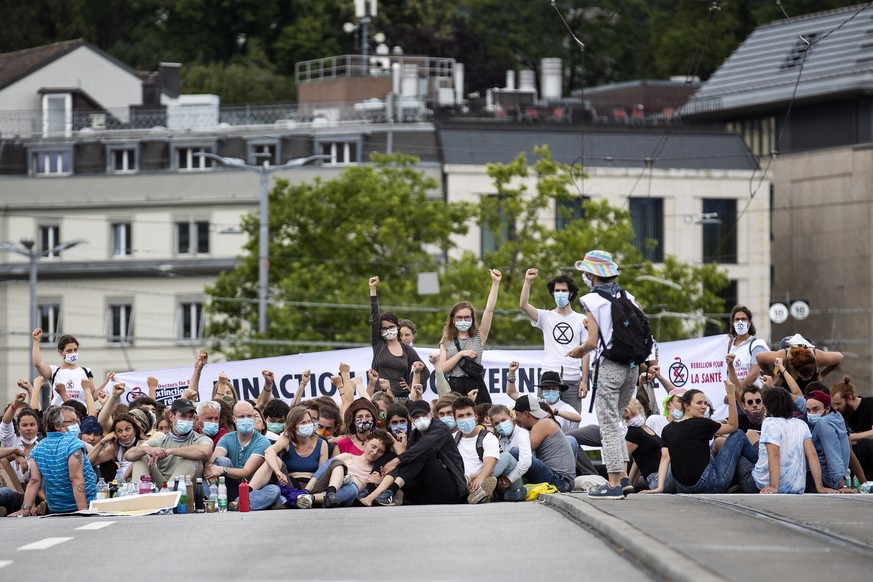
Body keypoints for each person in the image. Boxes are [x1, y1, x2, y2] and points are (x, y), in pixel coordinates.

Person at [568, 250, 652, 499]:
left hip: (611, 366)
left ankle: (614, 483)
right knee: (617, 421)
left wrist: (579, 350)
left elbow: (593, 343)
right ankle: (625, 477)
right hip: (632, 366)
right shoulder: (627, 295)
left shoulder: (591, 300)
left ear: (592, 275)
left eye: (586, 272)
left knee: (608, 425)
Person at [660, 385, 756, 494]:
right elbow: (733, 426)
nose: (704, 407)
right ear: (686, 406)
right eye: (699, 403)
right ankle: (761, 466)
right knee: (738, 434)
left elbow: (665, 458)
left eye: (705, 403)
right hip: (708, 484)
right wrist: (731, 395)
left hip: (683, 488)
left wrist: (659, 487)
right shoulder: (701, 423)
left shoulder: (668, 428)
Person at [519, 268, 590, 413]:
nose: (560, 294)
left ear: (571, 293)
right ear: (552, 293)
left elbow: (586, 352)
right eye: (557, 290)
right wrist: (527, 282)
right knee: (543, 418)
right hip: (548, 379)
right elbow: (523, 305)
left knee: (572, 421)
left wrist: (584, 381)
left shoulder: (582, 319)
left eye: (564, 290)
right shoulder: (546, 317)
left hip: (573, 379)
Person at [10, 405, 96, 515]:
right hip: (85, 504)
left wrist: (25, 509)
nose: (76, 425)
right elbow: (75, 478)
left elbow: (34, 481)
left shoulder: (38, 448)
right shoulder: (73, 444)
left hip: (56, 508)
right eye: (71, 422)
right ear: (58, 426)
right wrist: (83, 510)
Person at [378, 400, 467, 505]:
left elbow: (424, 446)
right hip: (426, 490)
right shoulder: (414, 435)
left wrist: (397, 460)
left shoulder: (441, 428)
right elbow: (408, 463)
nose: (420, 418)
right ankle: (384, 493)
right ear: (411, 419)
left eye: (423, 415)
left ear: (430, 414)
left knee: (422, 454)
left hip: (450, 487)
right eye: (416, 416)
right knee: (409, 459)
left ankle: (392, 490)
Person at [750, 388, 836, 494]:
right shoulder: (801, 424)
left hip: (763, 485)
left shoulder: (769, 422)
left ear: (768, 406)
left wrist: (773, 487)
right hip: (796, 487)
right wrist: (820, 487)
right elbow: (812, 454)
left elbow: (774, 455)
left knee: (740, 437)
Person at [438, 268, 502, 405]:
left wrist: (495, 283)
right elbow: (442, 368)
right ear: (453, 320)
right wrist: (461, 354)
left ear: (472, 319)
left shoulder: (479, 336)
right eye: (459, 317)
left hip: (475, 385)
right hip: (454, 386)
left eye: (467, 317)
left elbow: (489, 310)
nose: (463, 320)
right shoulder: (446, 340)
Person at [249, 407, 328, 510]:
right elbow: (269, 451)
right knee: (274, 460)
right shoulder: (287, 440)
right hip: (290, 483)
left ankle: (303, 499)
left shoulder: (322, 444)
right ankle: (247, 492)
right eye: (303, 423)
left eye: (309, 422)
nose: (308, 425)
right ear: (294, 427)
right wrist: (277, 471)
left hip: (312, 485)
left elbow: (321, 473)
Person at [125, 398, 213, 485]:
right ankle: (140, 495)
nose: (187, 420)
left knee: (193, 459)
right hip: (162, 485)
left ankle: (170, 495)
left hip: (184, 490)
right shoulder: (160, 440)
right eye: (183, 416)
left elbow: (205, 451)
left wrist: (170, 451)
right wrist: (147, 450)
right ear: (171, 417)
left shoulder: (201, 439)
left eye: (190, 417)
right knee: (141, 456)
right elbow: (128, 455)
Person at [368, 276, 430, 400]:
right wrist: (373, 290)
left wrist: (412, 386)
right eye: (384, 328)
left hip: (401, 399)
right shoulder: (379, 345)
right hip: (381, 398)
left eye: (391, 327)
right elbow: (375, 319)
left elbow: (425, 371)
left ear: (397, 327)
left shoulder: (407, 350)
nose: (388, 330)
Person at [452, 397, 523, 503]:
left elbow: (489, 466)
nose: (465, 419)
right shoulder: (452, 439)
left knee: (505, 458)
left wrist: (476, 479)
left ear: (475, 416)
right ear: (455, 419)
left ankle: (479, 492)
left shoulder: (487, 437)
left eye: (468, 414)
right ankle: (478, 494)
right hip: (459, 480)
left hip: (480, 478)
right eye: (461, 416)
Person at [203, 400, 270, 503]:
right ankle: (209, 501)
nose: (246, 420)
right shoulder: (227, 438)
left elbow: (246, 472)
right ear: (234, 419)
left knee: (274, 490)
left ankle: (240, 503)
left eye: (249, 416)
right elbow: (213, 461)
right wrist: (211, 471)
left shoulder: (262, 441)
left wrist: (222, 470)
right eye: (241, 417)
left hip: (250, 489)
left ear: (254, 417)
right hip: (229, 487)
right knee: (220, 460)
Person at [512, 395, 576, 494]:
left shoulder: (543, 424)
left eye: (517, 415)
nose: (516, 419)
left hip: (560, 482)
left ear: (526, 414)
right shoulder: (540, 425)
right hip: (559, 480)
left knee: (516, 452)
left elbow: (524, 452)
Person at [804, 390, 858, 490]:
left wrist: (841, 484)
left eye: (815, 409)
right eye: (808, 410)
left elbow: (832, 453)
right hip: (834, 479)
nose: (811, 414)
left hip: (823, 480)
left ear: (827, 408)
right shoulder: (837, 417)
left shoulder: (822, 423)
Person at [756, 334, 843, 393]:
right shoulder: (782, 356)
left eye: (810, 375)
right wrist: (773, 375)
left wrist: (822, 374)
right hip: (786, 393)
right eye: (804, 376)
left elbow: (840, 357)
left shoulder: (819, 357)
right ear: (795, 368)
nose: (807, 378)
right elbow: (759, 357)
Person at [32, 328, 95, 407]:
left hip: (80, 415)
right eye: (69, 351)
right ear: (61, 352)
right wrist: (36, 341)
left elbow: (92, 396)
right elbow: (37, 364)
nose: (73, 353)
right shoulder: (54, 371)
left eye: (75, 350)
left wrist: (106, 383)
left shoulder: (86, 371)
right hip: (58, 415)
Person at [506, 370, 581, 432]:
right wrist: (512, 373)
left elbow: (578, 418)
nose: (551, 391)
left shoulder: (565, 407)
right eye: (547, 389)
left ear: (559, 390)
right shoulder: (535, 402)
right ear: (542, 390)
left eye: (554, 388)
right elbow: (512, 393)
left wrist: (555, 411)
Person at [830, 376, 873, 481]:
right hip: (854, 456)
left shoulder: (870, 404)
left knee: (863, 444)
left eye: (838, 404)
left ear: (849, 398)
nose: (835, 408)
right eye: (833, 404)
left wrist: (849, 436)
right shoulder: (839, 413)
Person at [488, 404, 532, 501]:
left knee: (507, 456)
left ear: (511, 417)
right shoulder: (499, 439)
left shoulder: (522, 434)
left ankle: (479, 482)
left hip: (519, 479)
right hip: (501, 480)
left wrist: (508, 480)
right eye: (496, 423)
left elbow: (525, 462)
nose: (501, 425)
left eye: (503, 420)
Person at [87, 413, 143, 481]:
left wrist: (123, 478)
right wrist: (103, 441)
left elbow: (135, 463)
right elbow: (88, 463)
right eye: (119, 431)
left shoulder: (142, 444)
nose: (124, 434)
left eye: (127, 429)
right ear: (115, 434)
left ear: (135, 430)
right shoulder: (115, 448)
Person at [726, 306, 769, 391]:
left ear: (749, 322)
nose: (740, 322)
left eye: (743, 319)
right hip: (733, 398)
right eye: (737, 319)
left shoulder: (757, 345)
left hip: (753, 396)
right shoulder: (729, 346)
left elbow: (754, 374)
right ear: (733, 323)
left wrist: (737, 392)